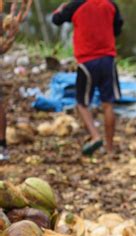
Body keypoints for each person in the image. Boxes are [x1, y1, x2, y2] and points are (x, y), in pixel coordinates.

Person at [52, 0, 123, 155]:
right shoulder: (110, 4)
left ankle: (96, 136)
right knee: (108, 104)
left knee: (82, 104)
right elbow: (117, 29)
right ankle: (110, 148)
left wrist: (60, 8)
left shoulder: (76, 5)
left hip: (86, 62)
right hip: (107, 60)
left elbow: (56, 20)